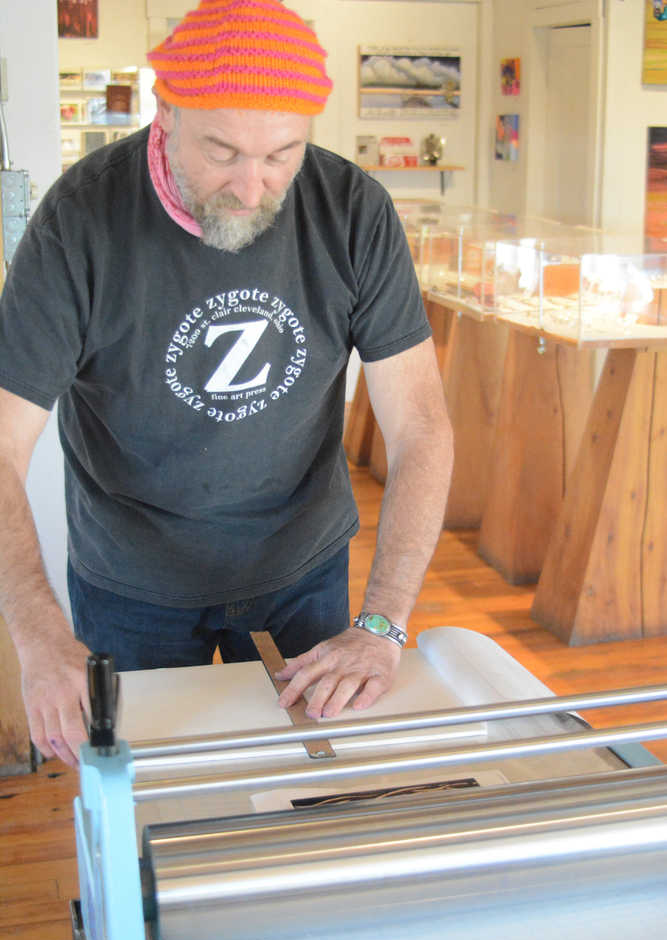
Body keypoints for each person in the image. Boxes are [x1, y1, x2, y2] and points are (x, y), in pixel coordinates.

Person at [0, 0, 453, 768]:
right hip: (133, 582)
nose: (250, 188)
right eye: (221, 151)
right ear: (165, 110)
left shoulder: (352, 210)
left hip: (301, 568)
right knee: (153, 793)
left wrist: (382, 623)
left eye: (281, 154)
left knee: (310, 785)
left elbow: (420, 427)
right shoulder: (79, 221)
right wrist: (39, 634)